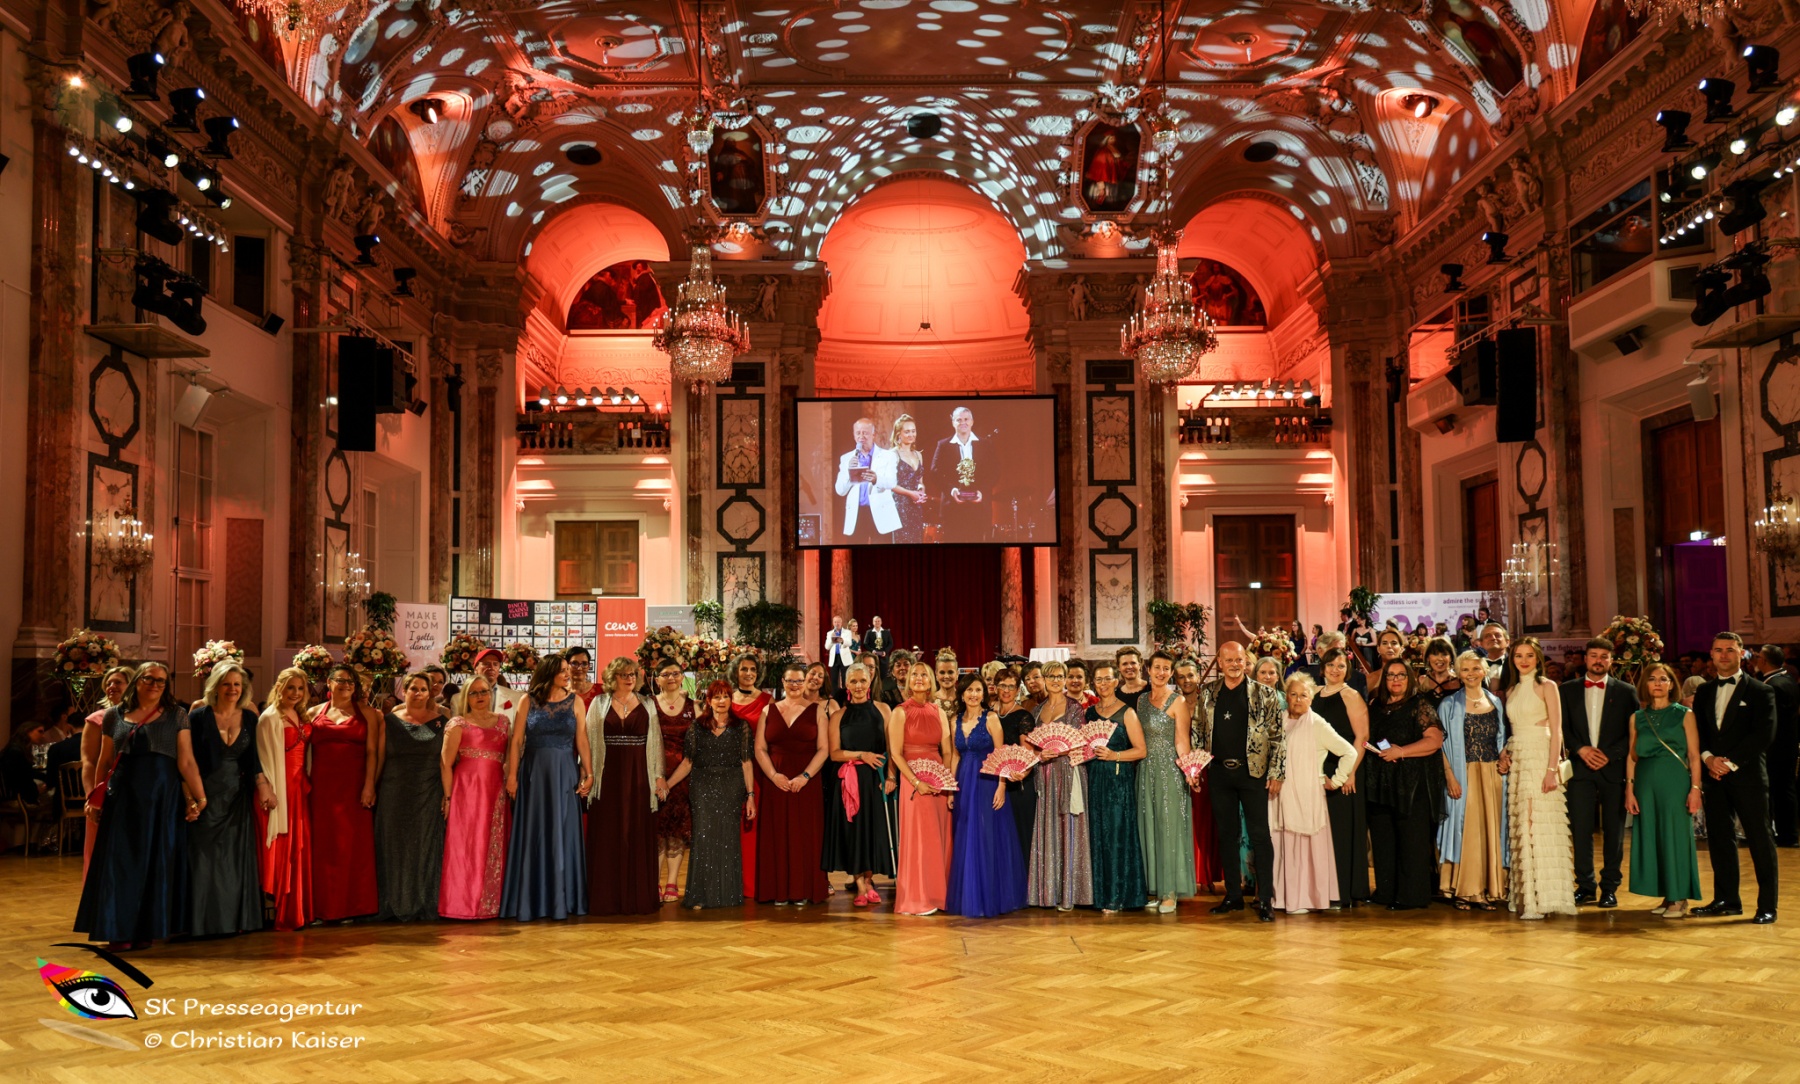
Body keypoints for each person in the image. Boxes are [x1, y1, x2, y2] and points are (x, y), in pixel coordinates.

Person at [75, 662, 206, 949]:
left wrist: (200, 797)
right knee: (120, 863)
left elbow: (186, 761)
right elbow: (105, 761)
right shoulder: (114, 714)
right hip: (122, 797)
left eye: (161, 681)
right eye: (149, 679)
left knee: (154, 863)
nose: (155, 685)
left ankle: (146, 929)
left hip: (162, 799)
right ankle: (118, 930)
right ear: (137, 681)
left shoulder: (176, 715)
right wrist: (95, 799)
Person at [1194, 641, 1287, 922]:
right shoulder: (1207, 693)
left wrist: (1277, 772)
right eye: (1229, 660)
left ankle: (1266, 900)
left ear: (1246, 662)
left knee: (1260, 836)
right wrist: (1196, 767)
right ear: (1219, 663)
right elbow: (1197, 730)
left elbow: (1278, 736)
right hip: (1219, 773)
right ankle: (1233, 895)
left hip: (1253, 774)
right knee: (1227, 835)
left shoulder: (1265, 694)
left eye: (1240, 660)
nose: (1235, 665)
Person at [1692, 631, 1779, 923]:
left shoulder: (1760, 691)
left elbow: (1764, 734)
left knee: (1760, 840)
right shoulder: (1704, 691)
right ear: (1711, 655)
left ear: (1742, 653)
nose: (1724, 655)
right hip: (1713, 776)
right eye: (1718, 650)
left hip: (1748, 776)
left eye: (1730, 649)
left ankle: (1767, 906)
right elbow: (1700, 732)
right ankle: (1727, 899)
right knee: (1719, 838)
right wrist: (1708, 759)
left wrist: (1729, 763)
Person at [501, 653, 592, 921]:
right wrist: (512, 776)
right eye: (562, 670)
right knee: (535, 833)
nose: (568, 674)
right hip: (534, 774)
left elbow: (582, 740)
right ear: (549, 672)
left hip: (564, 773)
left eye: (567, 669)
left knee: (562, 832)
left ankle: (564, 899)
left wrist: (589, 773)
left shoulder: (576, 701)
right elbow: (517, 741)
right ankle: (531, 900)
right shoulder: (527, 701)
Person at [188, 662, 270, 937]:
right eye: (226, 684)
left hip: (237, 796)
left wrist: (263, 787)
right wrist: (191, 796)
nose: (232, 689)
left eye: (237, 684)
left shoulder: (250, 718)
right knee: (203, 860)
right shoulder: (198, 716)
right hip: (204, 795)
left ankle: (234, 920)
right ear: (215, 686)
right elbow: (186, 760)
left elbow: (254, 759)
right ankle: (200, 923)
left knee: (233, 860)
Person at [1500, 638, 1577, 920]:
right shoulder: (1511, 689)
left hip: (1541, 757)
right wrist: (1505, 751)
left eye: (1529, 655)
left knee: (1540, 824)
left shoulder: (1547, 686)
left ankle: (1544, 898)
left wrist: (1551, 770)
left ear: (1538, 658)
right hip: (1520, 760)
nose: (1523, 660)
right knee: (1523, 824)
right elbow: (1513, 729)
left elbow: (1557, 731)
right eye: (1518, 655)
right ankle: (1525, 898)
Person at [1559, 637, 1639, 908]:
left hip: (1613, 769)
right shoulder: (1566, 690)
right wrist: (1580, 749)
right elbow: (1562, 727)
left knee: (1614, 832)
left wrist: (1611, 754)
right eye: (1593, 655)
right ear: (1586, 659)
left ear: (1611, 660)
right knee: (1580, 830)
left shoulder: (1627, 691)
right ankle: (1585, 885)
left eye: (1604, 656)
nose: (1598, 661)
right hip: (1580, 769)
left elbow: (1634, 731)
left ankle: (1609, 888)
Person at [1269, 673, 1357, 914]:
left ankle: (1304, 899)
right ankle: (1283, 898)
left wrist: (1336, 781)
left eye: (1303, 695)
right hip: (1279, 794)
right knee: (1282, 844)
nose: (1298, 700)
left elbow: (1349, 752)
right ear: (1286, 696)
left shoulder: (1317, 724)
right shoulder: (1279, 720)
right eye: (1293, 694)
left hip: (1306, 795)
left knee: (1303, 846)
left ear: (1311, 698)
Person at [1362, 660, 1445, 912]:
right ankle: (1386, 891)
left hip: (1411, 784)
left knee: (1411, 841)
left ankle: (1411, 896)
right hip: (1380, 783)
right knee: (1383, 839)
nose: (1396, 680)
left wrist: (1401, 751)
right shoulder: (1375, 706)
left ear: (1410, 679)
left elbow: (1434, 741)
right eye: (1390, 675)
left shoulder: (1420, 704)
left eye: (1401, 675)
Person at [585, 656, 665, 915]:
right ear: (613, 678)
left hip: (640, 776)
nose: (630, 679)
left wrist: (658, 776)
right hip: (606, 777)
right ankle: (606, 898)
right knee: (608, 834)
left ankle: (637, 897)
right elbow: (588, 743)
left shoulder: (647, 703)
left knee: (636, 831)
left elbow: (656, 742)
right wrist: (587, 774)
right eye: (624, 675)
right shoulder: (598, 703)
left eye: (633, 674)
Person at [665, 681, 756, 909]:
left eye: (726, 696)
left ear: (731, 700)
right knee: (704, 839)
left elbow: (746, 763)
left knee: (727, 840)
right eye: (717, 697)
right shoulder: (697, 727)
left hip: (731, 787)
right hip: (702, 787)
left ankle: (727, 895)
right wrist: (667, 784)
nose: (722, 701)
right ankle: (700, 895)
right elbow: (687, 763)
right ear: (709, 701)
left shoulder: (741, 727)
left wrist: (750, 795)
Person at [945, 673, 1028, 917]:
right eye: (969, 690)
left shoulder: (991, 718)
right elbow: (955, 756)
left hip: (988, 781)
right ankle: (972, 894)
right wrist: (950, 789)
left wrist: (1001, 786)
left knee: (988, 835)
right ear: (962, 694)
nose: (973, 694)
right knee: (967, 835)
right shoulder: (954, 720)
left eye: (978, 690)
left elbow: (1000, 755)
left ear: (984, 693)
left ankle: (991, 895)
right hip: (964, 782)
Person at [1626, 662, 1704, 918]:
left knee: (1674, 836)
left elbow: (1694, 756)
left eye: (1663, 679)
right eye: (1652, 679)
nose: (1658, 683)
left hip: (1674, 781)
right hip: (1645, 782)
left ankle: (1679, 897)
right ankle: (1667, 893)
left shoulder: (1684, 714)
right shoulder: (1637, 717)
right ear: (1645, 685)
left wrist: (1695, 789)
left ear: (1672, 684)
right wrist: (1630, 789)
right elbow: (1632, 757)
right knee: (1653, 837)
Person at [1437, 651, 1509, 910]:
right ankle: (1466, 890)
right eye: (1465, 669)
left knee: (1490, 831)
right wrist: (1450, 777)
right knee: (1467, 832)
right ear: (1458, 673)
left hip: (1492, 776)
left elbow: (1501, 739)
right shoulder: (1448, 705)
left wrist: (1505, 756)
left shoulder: (1495, 701)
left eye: (1475, 668)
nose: (1470, 674)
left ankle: (1489, 888)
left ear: (1484, 671)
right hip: (1462, 775)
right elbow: (1440, 746)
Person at [308, 664, 380, 922]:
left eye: (350, 682)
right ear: (329, 683)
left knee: (351, 847)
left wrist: (369, 785)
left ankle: (351, 907)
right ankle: (322, 908)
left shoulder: (368, 713)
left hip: (354, 788)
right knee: (323, 847)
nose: (346, 685)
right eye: (340, 680)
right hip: (321, 788)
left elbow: (372, 752)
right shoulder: (313, 713)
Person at [754, 664, 830, 905]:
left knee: (804, 835)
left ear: (805, 682)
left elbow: (824, 749)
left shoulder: (817, 711)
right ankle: (778, 890)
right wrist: (773, 775)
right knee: (777, 834)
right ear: (783, 682)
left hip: (806, 783)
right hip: (775, 782)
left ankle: (802, 890)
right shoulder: (768, 710)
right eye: (790, 681)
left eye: (799, 680)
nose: (795, 685)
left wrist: (804, 777)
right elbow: (760, 748)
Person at [375, 672, 448, 922]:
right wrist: (371, 787)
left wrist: (447, 795)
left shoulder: (443, 721)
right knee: (394, 847)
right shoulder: (388, 721)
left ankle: (424, 901)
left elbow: (447, 762)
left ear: (430, 693)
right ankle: (393, 902)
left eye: (423, 689)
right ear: (404, 691)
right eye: (413, 688)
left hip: (429, 792)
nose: (418, 693)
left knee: (425, 847)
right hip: (394, 791)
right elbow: (379, 757)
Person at [439, 674, 511, 920]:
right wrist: (448, 798)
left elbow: (510, 758)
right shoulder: (458, 723)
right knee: (467, 844)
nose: (480, 696)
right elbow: (445, 763)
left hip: (495, 790)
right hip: (466, 791)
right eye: (474, 693)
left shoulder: (503, 722)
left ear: (491, 694)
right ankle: (462, 904)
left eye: (484, 691)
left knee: (492, 842)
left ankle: (492, 904)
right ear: (466, 697)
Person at [824, 664, 896, 906]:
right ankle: (860, 886)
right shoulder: (838, 716)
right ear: (846, 684)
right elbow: (834, 753)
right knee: (853, 832)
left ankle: (869, 880)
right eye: (853, 681)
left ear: (869, 682)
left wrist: (891, 777)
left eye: (862, 681)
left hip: (876, 780)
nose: (858, 686)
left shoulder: (883, 709)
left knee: (872, 831)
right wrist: (861, 755)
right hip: (849, 781)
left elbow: (891, 749)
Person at [890, 660, 954, 915]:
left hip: (938, 782)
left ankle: (939, 895)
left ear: (930, 681)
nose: (919, 678)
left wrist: (944, 780)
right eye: (914, 674)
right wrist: (916, 781)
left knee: (938, 837)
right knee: (918, 839)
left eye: (924, 675)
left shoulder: (939, 712)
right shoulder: (900, 712)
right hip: (913, 781)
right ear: (908, 680)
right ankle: (917, 898)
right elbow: (895, 753)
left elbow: (947, 751)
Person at [1028, 660, 1092, 910]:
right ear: (1044, 679)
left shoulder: (1075, 708)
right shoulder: (1037, 710)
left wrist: (1059, 751)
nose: (1055, 680)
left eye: (1059, 676)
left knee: (1069, 827)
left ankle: (1070, 894)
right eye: (1050, 676)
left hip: (1069, 771)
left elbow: (1079, 742)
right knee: (1048, 828)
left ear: (1065, 679)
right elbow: (1033, 745)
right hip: (1044, 773)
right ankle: (1048, 893)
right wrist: (1039, 755)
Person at [1085, 662, 1148, 914]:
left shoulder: (1127, 712)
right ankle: (1098, 895)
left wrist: (1115, 756)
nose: (1103, 684)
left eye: (1107, 679)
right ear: (1094, 683)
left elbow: (1141, 750)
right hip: (1094, 779)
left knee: (1116, 834)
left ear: (1116, 682)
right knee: (1097, 835)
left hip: (1118, 781)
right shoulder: (1089, 713)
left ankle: (1118, 895)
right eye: (1098, 679)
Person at [255, 669, 312, 931]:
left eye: (300, 688)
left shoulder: (302, 715)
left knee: (298, 847)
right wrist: (270, 790)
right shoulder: (270, 717)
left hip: (300, 787)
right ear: (279, 687)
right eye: (291, 687)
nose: (296, 693)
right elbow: (264, 759)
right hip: (280, 787)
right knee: (283, 847)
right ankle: (283, 909)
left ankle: (298, 908)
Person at [1313, 649, 1369, 907]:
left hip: (1344, 769)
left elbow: (1362, 737)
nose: (1336, 670)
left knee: (1342, 832)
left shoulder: (1351, 695)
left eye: (1341, 666)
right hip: (1318, 770)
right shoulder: (1314, 693)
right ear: (1322, 668)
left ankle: (1343, 891)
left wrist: (1349, 774)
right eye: (1331, 665)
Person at [1140, 651, 1195, 913]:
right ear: (1148, 670)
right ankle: (1157, 888)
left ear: (1171, 673)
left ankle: (1170, 892)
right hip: (1145, 771)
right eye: (1157, 667)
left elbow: (1182, 741)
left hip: (1170, 772)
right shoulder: (1141, 700)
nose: (1161, 672)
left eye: (1166, 669)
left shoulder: (1178, 701)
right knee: (1150, 827)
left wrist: (1189, 770)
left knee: (1169, 828)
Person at [78, 665, 134, 875]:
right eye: (108, 683)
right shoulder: (97, 719)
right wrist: (91, 797)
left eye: (118, 682)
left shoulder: (141, 717)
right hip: (106, 792)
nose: (111, 686)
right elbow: (89, 761)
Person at [1174, 658, 1224, 892]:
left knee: (1207, 822)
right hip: (1180, 768)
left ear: (1198, 676)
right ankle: (1188, 875)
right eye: (1181, 676)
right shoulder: (1173, 703)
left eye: (1190, 675)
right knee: (1186, 821)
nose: (1187, 680)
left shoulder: (1210, 702)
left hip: (1209, 768)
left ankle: (1208, 875)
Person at [651, 660, 695, 903]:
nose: (671, 678)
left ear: (682, 677)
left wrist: (672, 781)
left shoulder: (694, 706)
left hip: (683, 776)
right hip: (653, 775)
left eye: (676, 673)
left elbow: (695, 748)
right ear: (657, 678)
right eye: (665, 674)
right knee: (657, 830)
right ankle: (654, 882)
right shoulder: (648, 704)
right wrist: (658, 778)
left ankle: (672, 883)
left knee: (677, 831)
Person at [730, 653, 773, 899]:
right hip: (728, 769)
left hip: (758, 769)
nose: (749, 673)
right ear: (735, 672)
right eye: (744, 669)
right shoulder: (725, 698)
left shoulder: (768, 700)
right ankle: (731, 882)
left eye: (753, 669)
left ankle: (754, 883)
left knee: (753, 826)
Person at [1753, 644, 1800, 847]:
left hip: (1776, 749)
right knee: (1785, 790)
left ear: (1764, 661)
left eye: (1758, 657)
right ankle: (1788, 833)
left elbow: (1770, 722)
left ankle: (1786, 835)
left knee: (1778, 793)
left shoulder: (1772, 685)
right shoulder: (1788, 679)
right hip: (1788, 746)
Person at [929, 405, 992, 542]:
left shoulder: (985, 444)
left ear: (972, 421)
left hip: (978, 508)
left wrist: (983, 491)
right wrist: (951, 490)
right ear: (953, 422)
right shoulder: (943, 445)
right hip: (952, 508)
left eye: (966, 419)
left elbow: (994, 471)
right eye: (959, 420)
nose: (963, 423)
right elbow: (934, 471)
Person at [993, 668, 1037, 859]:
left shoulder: (1023, 717)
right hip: (994, 782)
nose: (1006, 690)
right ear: (996, 687)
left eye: (1011, 686)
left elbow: (1028, 754)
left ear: (1018, 690)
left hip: (1018, 784)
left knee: (1020, 837)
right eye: (1002, 685)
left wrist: (1022, 773)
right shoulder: (989, 714)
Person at [834, 417, 900, 545]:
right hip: (857, 514)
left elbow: (892, 482)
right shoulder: (847, 458)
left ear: (873, 435)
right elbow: (840, 491)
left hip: (881, 512)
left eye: (865, 433)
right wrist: (849, 470)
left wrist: (876, 479)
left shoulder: (888, 456)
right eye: (858, 433)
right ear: (854, 435)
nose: (861, 437)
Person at [890, 414, 929, 544]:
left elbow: (920, 482)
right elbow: (890, 484)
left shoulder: (918, 455)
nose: (911, 434)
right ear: (899, 434)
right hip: (899, 507)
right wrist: (910, 493)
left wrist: (921, 490)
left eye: (913, 431)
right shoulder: (893, 454)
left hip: (916, 507)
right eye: (907, 432)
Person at [473, 648, 520, 716]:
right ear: (476, 669)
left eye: (495, 664)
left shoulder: (515, 697)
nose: (491, 667)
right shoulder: (459, 699)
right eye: (486, 664)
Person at [1418, 638, 1460, 704]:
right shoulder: (1421, 681)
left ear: (1451, 658)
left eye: (1444, 654)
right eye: (1435, 654)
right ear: (1428, 658)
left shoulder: (1459, 681)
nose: (1440, 658)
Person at [825, 616, 854, 694]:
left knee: (845, 678)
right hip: (834, 658)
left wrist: (842, 640)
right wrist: (832, 640)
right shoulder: (830, 633)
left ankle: (846, 695)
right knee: (834, 678)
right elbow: (827, 647)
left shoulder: (847, 632)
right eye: (835, 622)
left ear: (841, 623)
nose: (837, 624)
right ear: (833, 623)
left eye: (838, 622)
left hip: (844, 658)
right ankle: (834, 695)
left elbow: (849, 643)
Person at [565, 646, 599, 711]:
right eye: (574, 663)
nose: (579, 668)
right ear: (566, 665)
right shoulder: (559, 693)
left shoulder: (600, 691)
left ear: (588, 666)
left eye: (584, 664)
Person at [932, 649, 960, 716]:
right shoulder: (930, 700)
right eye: (942, 672)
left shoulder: (964, 699)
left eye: (950, 672)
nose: (946, 676)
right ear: (936, 675)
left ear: (957, 674)